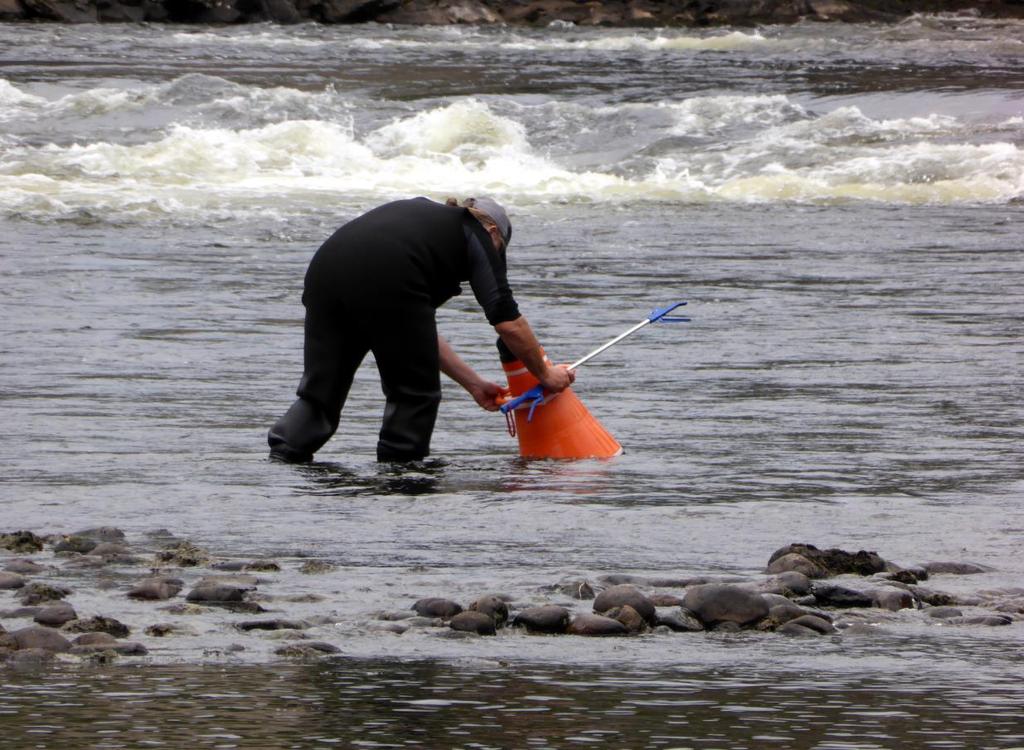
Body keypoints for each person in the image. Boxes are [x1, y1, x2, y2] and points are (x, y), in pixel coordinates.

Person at [267, 196, 575, 463]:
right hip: (387, 275)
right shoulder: (475, 232)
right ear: (493, 231)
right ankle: (401, 480)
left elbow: (414, 330)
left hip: (325, 273)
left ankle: (284, 458)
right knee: (415, 395)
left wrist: (474, 384)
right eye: (499, 251)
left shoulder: (426, 225)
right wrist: (547, 375)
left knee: (320, 394)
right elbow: (508, 321)